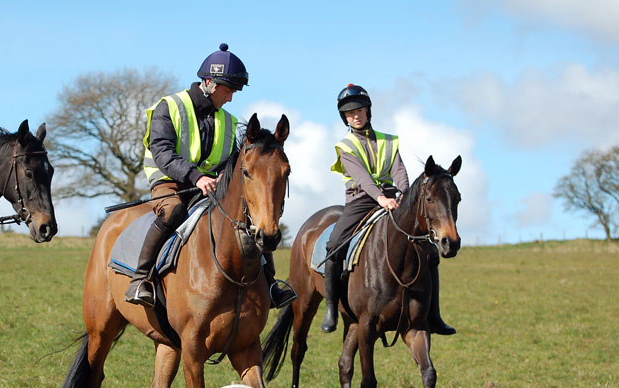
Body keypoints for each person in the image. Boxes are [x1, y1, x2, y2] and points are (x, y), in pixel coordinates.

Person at [124, 43, 296, 309]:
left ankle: (270, 284)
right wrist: (195, 177)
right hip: (170, 183)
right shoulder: (169, 107)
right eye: (228, 90)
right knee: (173, 212)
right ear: (208, 82)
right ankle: (141, 278)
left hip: (210, 186)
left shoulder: (229, 121)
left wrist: (225, 176)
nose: (230, 98)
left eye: (234, 92)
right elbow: (162, 151)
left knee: (249, 219)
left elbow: (232, 162)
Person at [320, 84, 455, 335]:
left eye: (359, 110)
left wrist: (404, 193)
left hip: (393, 198)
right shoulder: (345, 146)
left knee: (429, 250)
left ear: (368, 111)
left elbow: (399, 170)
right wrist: (380, 198)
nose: (355, 116)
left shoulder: (389, 141)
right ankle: (331, 309)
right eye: (350, 113)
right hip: (360, 200)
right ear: (344, 118)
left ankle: (434, 315)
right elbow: (361, 178)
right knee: (335, 244)